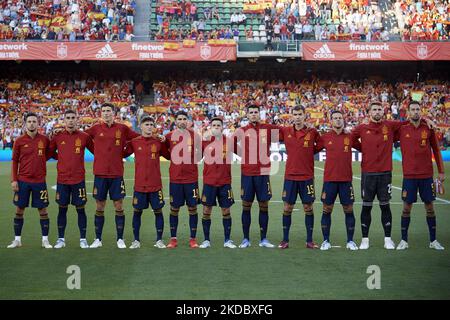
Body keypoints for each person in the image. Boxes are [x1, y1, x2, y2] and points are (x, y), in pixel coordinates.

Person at [351, 101, 434, 249]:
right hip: (368, 174)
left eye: (379, 109)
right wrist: (364, 148)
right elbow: (350, 139)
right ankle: (365, 240)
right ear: (369, 112)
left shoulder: (390, 125)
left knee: (385, 206)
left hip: (385, 173)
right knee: (366, 207)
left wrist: (426, 119)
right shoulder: (362, 128)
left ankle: (387, 239)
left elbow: (410, 120)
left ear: (383, 112)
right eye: (374, 109)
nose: (377, 111)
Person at [85, 103, 139, 249]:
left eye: (109, 111)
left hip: (116, 174)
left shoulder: (122, 128)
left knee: (118, 205)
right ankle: (98, 239)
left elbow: (138, 138)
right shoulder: (95, 128)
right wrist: (95, 150)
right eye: (104, 111)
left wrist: (125, 152)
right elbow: (82, 137)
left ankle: (120, 239)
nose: (106, 113)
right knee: (100, 205)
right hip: (100, 173)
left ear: (114, 113)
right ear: (100, 113)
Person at [396, 101, 445, 250]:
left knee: (430, 207)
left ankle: (433, 240)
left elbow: (436, 150)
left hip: (426, 175)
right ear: (408, 112)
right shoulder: (401, 128)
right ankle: (404, 240)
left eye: (418, 109)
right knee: (406, 208)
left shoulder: (428, 128)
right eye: (413, 109)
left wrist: (441, 171)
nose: (416, 112)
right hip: (409, 176)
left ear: (421, 111)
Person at [233, 105, 278, 248]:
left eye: (256, 112)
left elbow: (286, 133)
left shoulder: (268, 128)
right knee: (246, 206)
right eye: (251, 112)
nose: (253, 114)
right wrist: (242, 154)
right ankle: (246, 239)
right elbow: (231, 142)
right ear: (247, 114)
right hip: (247, 173)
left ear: (260, 114)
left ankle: (263, 239)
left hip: (263, 173)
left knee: (264, 205)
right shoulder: (242, 130)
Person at [315, 110, 360, 251]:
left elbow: (364, 148)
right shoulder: (325, 137)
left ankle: (350, 241)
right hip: (329, 179)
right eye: (335, 118)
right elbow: (310, 150)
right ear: (331, 121)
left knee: (348, 209)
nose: (338, 120)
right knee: (327, 209)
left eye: (340, 118)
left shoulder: (350, 137)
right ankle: (326, 241)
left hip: (346, 180)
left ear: (343, 120)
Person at [49, 110, 94, 249]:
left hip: (78, 179)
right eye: (68, 118)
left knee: (81, 209)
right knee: (62, 209)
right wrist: (60, 158)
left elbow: (97, 152)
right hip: (62, 180)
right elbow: (50, 153)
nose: (70, 120)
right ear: (64, 120)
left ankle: (83, 239)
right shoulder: (57, 136)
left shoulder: (84, 136)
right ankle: (61, 239)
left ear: (77, 119)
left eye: (73, 118)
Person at [278, 106, 321, 249]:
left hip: (307, 176)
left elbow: (320, 145)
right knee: (287, 207)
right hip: (290, 176)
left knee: (308, 207)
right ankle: (285, 240)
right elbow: (266, 133)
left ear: (304, 115)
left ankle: (309, 240)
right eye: (295, 114)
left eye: (300, 114)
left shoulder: (312, 132)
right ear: (292, 116)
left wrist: (308, 152)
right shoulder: (285, 131)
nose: (297, 117)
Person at [124, 116, 170, 249]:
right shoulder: (134, 142)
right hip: (139, 185)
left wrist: (165, 141)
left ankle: (159, 240)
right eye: (147, 124)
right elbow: (122, 153)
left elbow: (168, 156)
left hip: (155, 184)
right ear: (141, 126)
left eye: (151, 124)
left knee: (158, 211)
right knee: (137, 212)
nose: (149, 126)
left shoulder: (158, 141)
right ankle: (136, 241)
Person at [8, 113, 52, 249]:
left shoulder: (44, 140)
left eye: (34, 121)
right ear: (25, 123)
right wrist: (14, 180)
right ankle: (17, 240)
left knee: (43, 210)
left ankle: (45, 240)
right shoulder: (19, 141)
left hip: (39, 181)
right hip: (23, 181)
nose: (32, 123)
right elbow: (15, 161)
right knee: (19, 209)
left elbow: (51, 154)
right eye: (29, 121)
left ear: (38, 123)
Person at [164, 110, 202, 248]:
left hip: (191, 178)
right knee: (174, 208)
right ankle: (173, 239)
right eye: (179, 119)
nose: (182, 121)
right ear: (175, 121)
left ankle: (193, 239)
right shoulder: (168, 136)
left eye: (184, 119)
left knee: (192, 208)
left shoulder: (195, 136)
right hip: (175, 179)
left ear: (188, 121)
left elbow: (201, 152)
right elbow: (165, 152)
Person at [199, 117, 237, 249]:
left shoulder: (229, 141)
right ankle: (206, 240)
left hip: (225, 182)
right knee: (206, 210)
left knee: (226, 210)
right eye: (213, 125)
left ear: (222, 127)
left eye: (218, 125)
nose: (216, 127)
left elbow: (244, 152)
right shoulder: (205, 141)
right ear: (210, 127)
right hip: (209, 182)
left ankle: (227, 240)